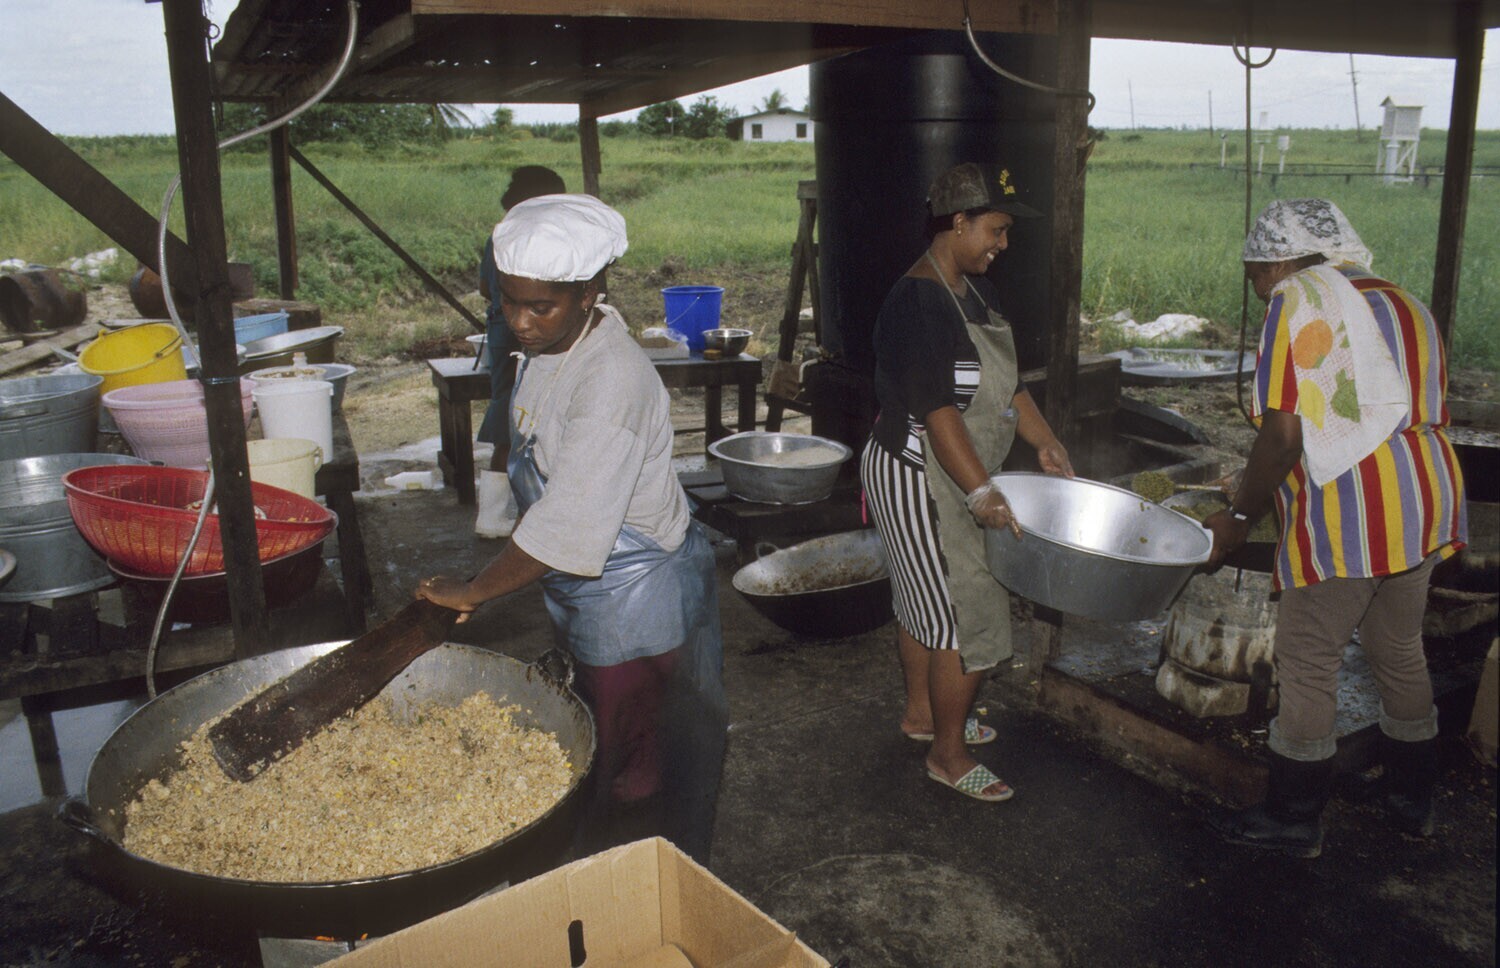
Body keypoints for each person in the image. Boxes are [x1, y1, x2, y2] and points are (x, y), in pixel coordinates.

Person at [419, 194, 727, 865]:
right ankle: (616, 853)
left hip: (636, 596)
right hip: (591, 584)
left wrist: (476, 589)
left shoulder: (612, 380)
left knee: (631, 751)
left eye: (541, 307)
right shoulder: (552, 346)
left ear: (589, 294)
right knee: (608, 738)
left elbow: (569, 521)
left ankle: (642, 872)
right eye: (509, 302)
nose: (519, 323)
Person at [1205, 198, 1468, 858]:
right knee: (1397, 645)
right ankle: (1412, 799)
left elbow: (1285, 435)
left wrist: (1239, 516)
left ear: (1280, 262)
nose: (1257, 288)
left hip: (1356, 507)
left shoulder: (1299, 301)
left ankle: (1294, 816)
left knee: (1308, 658)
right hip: (1427, 493)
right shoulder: (1404, 301)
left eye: (1255, 273)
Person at [860, 162, 1074, 803]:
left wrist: (1045, 440)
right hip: (919, 472)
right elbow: (939, 414)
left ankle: (924, 716)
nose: (1002, 243)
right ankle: (947, 756)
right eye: (995, 230)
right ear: (958, 223)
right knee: (965, 609)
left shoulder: (975, 291)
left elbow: (1009, 387)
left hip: (948, 465)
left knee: (927, 601)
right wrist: (982, 491)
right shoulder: (919, 301)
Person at [474, 165, 567, 538]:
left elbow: (485, 287)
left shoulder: (501, 234)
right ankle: (492, 516)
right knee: (511, 417)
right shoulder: (530, 237)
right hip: (519, 335)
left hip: (504, 329)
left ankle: (509, 510)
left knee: (518, 413)